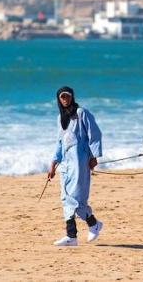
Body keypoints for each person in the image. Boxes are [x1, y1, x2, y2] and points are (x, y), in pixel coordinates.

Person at [47, 86, 104, 246]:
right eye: (62, 97)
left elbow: (95, 134)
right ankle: (72, 235)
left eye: (67, 96)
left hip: (80, 163)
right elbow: (60, 143)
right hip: (66, 165)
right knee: (66, 198)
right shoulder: (60, 118)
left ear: (72, 97)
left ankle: (93, 224)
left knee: (76, 198)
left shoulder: (81, 113)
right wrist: (53, 164)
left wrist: (94, 156)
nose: (65, 99)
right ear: (58, 99)